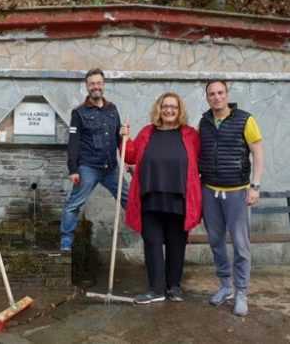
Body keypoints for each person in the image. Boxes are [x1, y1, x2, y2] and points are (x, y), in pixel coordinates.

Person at [120, 92, 202, 304]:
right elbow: (130, 156)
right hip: (150, 197)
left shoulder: (190, 135)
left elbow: (203, 158)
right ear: (159, 108)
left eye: (173, 107)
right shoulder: (148, 132)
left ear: (179, 110)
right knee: (152, 243)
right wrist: (125, 139)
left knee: (176, 243)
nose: (169, 110)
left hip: (179, 198)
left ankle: (174, 286)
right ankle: (156, 288)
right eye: (165, 106)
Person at [198, 80, 264, 316]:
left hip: (237, 192)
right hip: (209, 191)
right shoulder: (204, 122)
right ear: (207, 97)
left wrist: (255, 186)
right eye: (211, 94)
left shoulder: (245, 119)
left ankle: (241, 292)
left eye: (220, 93)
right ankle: (225, 285)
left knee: (240, 245)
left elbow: (257, 152)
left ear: (226, 95)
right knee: (216, 243)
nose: (216, 97)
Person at [60, 68, 129, 251]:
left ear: (103, 85)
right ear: (87, 87)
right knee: (73, 204)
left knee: (130, 201)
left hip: (111, 168)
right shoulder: (79, 113)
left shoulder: (112, 109)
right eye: (92, 84)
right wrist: (73, 169)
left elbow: (118, 138)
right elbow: (73, 143)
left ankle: (147, 232)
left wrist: (124, 141)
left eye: (99, 83)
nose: (96, 87)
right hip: (88, 168)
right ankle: (66, 239)